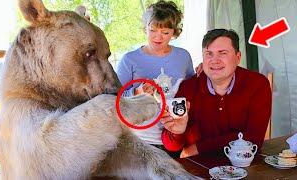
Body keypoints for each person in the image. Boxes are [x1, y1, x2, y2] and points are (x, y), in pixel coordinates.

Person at [161, 28, 272, 158]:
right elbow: (171, 145)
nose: (215, 60)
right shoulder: (188, 87)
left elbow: (253, 139)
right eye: (209, 54)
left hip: (243, 164)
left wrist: (198, 148)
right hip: (199, 167)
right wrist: (177, 132)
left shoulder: (257, 84)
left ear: (238, 57)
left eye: (222, 53)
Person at [116, 1, 195, 153]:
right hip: (138, 141)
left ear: (175, 32)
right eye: (152, 30)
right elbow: (115, 99)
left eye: (165, 32)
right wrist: (137, 92)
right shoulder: (129, 59)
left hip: (173, 138)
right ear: (145, 28)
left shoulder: (183, 56)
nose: (158, 37)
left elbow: (191, 88)